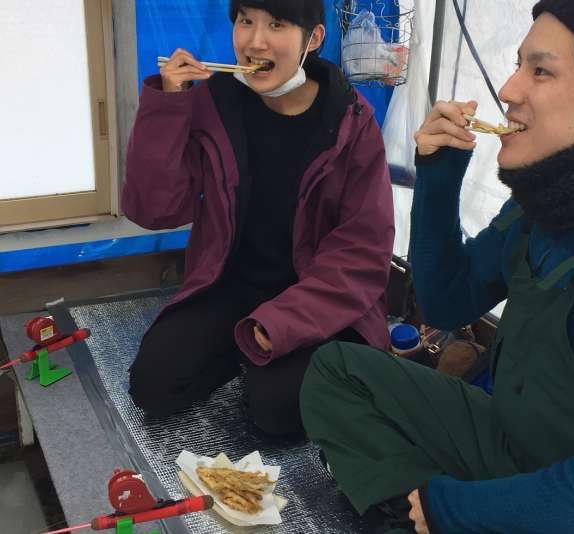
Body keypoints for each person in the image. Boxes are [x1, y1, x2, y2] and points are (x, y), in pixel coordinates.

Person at [300, 0, 574, 531]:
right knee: (338, 373)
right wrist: (439, 176)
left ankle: (426, 513)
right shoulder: (548, 198)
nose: (509, 90)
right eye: (517, 65)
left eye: (540, 70)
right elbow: (448, 301)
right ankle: (416, 514)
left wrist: (452, 509)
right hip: (515, 443)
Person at [121, 0, 394, 436]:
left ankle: (267, 357)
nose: (255, 41)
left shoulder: (351, 121)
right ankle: (244, 350)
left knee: (276, 413)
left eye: (277, 24)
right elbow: (154, 210)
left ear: (314, 39)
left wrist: (280, 323)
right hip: (227, 284)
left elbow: (362, 253)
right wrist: (168, 106)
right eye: (245, 20)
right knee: (153, 386)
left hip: (317, 300)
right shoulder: (213, 103)